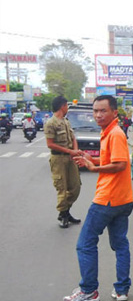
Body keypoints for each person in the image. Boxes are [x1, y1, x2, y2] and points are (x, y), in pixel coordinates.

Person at [64, 95, 133, 301]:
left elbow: (120, 165)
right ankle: (122, 289)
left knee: (85, 244)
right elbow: (110, 161)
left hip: (108, 200)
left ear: (114, 112)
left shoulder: (115, 133)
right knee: (120, 244)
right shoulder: (109, 132)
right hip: (122, 199)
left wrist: (94, 168)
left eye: (103, 111)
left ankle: (88, 290)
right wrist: (90, 160)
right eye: (95, 111)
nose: (98, 115)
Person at [44, 96, 82, 228]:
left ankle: (66, 210)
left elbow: (73, 137)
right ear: (62, 106)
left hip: (70, 158)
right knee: (62, 188)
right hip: (58, 159)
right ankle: (63, 214)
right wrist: (69, 151)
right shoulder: (51, 123)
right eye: (66, 105)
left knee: (76, 187)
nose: (67, 108)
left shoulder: (66, 122)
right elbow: (50, 144)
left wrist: (75, 151)